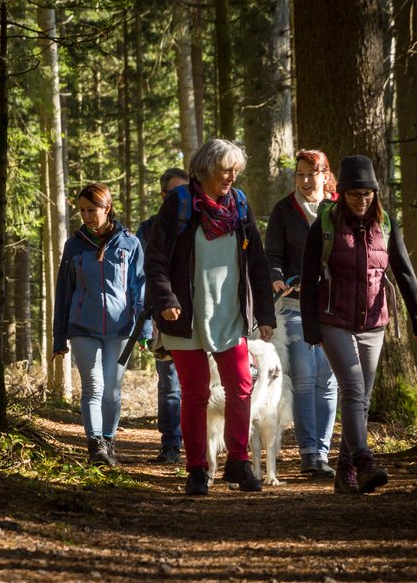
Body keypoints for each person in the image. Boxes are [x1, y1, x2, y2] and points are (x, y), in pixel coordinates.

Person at [145, 138, 276, 495]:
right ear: (205, 170)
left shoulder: (240, 205)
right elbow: (155, 259)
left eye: (236, 170)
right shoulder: (179, 204)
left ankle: (237, 461)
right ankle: (197, 469)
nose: (232, 176)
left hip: (230, 314)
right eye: (225, 170)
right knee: (195, 392)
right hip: (184, 314)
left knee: (241, 384)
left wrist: (264, 312)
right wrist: (165, 299)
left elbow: (259, 264)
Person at [300, 154, 417, 494]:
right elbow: (310, 274)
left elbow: (402, 269)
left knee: (362, 398)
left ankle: (345, 471)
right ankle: (365, 460)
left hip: (374, 321)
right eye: (354, 194)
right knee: (354, 389)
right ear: (342, 193)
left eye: (367, 194)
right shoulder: (325, 224)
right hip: (333, 320)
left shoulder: (385, 223)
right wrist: (310, 326)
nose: (361, 200)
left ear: (375, 194)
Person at [53, 183, 151, 466]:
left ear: (107, 208)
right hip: (82, 328)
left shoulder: (130, 244)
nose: (86, 216)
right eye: (82, 210)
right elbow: (64, 292)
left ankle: (109, 441)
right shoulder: (74, 246)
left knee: (112, 390)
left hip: (121, 330)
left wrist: (144, 331)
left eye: (91, 210)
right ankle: (95, 447)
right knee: (93, 387)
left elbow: (139, 290)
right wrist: (59, 338)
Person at [265, 149, 339, 478]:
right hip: (293, 304)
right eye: (300, 174)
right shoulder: (284, 209)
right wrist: (278, 279)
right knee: (305, 377)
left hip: (333, 306)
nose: (306, 181)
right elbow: (273, 255)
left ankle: (323, 451)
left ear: (326, 175)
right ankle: (309, 453)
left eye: (312, 173)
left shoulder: (338, 209)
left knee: (329, 379)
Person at [136, 167, 188, 464]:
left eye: (184, 193)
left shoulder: (201, 223)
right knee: (169, 383)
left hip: (199, 318)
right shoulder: (148, 229)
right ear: (162, 196)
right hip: (162, 318)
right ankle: (170, 444)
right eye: (172, 194)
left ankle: (202, 446)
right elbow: (144, 278)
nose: (179, 200)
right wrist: (147, 322)